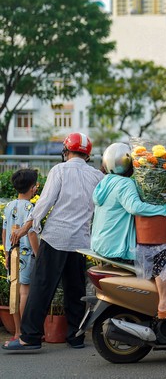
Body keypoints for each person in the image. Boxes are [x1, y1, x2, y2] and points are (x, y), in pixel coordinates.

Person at [4, 132, 104, 351]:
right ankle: (75, 337)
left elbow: (45, 202)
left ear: (66, 151)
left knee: (41, 288)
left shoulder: (59, 170)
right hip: (80, 240)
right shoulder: (96, 176)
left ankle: (28, 338)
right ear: (87, 155)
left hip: (56, 237)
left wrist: (25, 228)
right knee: (76, 289)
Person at [91, 142, 166, 320]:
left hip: (101, 244)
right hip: (117, 247)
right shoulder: (124, 184)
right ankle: (165, 303)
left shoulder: (105, 181)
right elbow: (135, 207)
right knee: (163, 256)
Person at [2, 169, 39, 343]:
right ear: (32, 188)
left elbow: (4, 231)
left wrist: (6, 252)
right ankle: (24, 332)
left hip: (12, 254)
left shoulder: (9, 206)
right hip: (26, 254)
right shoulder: (31, 208)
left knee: (14, 292)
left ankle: (17, 331)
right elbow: (31, 233)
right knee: (25, 292)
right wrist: (38, 254)